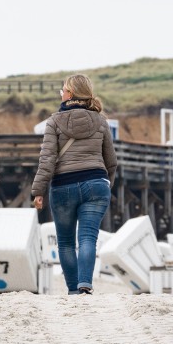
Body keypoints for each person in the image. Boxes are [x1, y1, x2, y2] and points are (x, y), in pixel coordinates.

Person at [30, 74, 117, 295]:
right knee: (88, 237)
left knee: (66, 242)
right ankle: (85, 284)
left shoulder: (54, 121)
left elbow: (47, 159)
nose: (61, 93)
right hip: (96, 183)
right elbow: (111, 161)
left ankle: (73, 291)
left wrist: (38, 190)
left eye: (62, 90)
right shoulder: (101, 121)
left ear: (70, 93)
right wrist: (107, 185)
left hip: (63, 186)